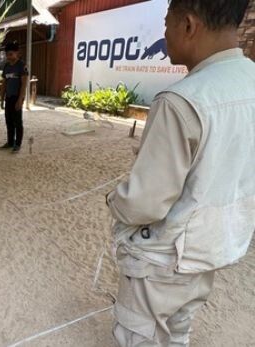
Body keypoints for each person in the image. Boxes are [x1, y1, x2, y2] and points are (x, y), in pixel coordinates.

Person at [106, 1, 254, 346]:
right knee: (179, 329)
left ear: (188, 25)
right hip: (217, 246)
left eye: (166, 22)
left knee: (139, 334)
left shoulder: (181, 100)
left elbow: (145, 203)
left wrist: (115, 200)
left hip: (165, 257)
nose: (164, 33)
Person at [0, 42, 28, 153]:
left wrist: (20, 99)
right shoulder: (6, 66)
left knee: (17, 122)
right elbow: (4, 84)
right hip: (9, 97)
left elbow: (24, 84)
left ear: (17, 53)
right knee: (9, 121)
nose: (9, 57)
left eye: (11, 54)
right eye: (7, 54)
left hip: (17, 97)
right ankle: (10, 142)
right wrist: (2, 99)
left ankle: (17, 144)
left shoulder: (21, 66)